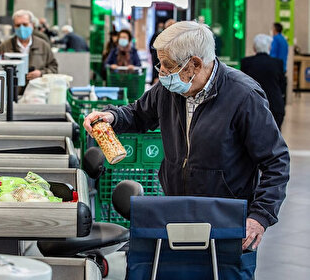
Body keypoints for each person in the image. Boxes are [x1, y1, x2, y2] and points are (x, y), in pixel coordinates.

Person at [84, 21, 289, 253]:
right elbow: (138, 113)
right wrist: (112, 116)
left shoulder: (244, 96)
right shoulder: (170, 89)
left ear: (195, 64)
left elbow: (276, 161)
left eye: (168, 65)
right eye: (159, 63)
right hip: (177, 208)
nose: (161, 72)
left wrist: (259, 216)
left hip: (226, 217)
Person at [0, 9, 58, 81]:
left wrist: (41, 73)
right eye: (18, 25)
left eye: (25, 24)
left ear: (32, 25)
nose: (21, 28)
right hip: (12, 90)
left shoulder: (43, 46)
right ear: (14, 27)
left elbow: (54, 68)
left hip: (37, 90)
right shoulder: (4, 46)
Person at [241, 34, 285, 129]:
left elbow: (242, 85)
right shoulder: (277, 63)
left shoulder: (246, 62)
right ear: (269, 47)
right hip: (275, 105)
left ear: (254, 48)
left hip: (252, 106)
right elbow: (282, 85)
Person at [270, 22, 289, 105]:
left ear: (275, 29)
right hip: (283, 68)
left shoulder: (275, 39)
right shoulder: (284, 40)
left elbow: (272, 54)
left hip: (276, 68)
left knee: (274, 90)